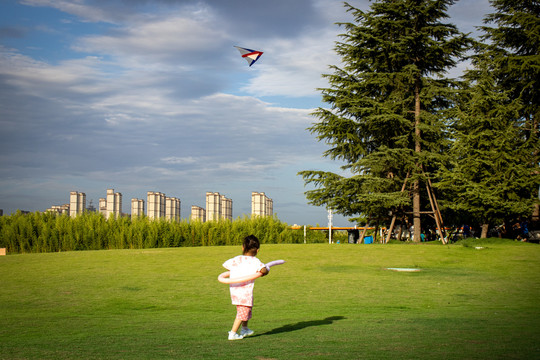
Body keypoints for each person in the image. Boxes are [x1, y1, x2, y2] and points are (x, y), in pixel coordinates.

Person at [222, 235, 269, 340]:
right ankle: (232, 333)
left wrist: (237, 271)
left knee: (246, 309)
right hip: (245, 292)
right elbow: (263, 270)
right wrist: (265, 271)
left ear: (243, 247)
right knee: (242, 312)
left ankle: (245, 329)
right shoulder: (255, 261)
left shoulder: (236, 259)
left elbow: (226, 265)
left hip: (235, 290)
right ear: (257, 250)